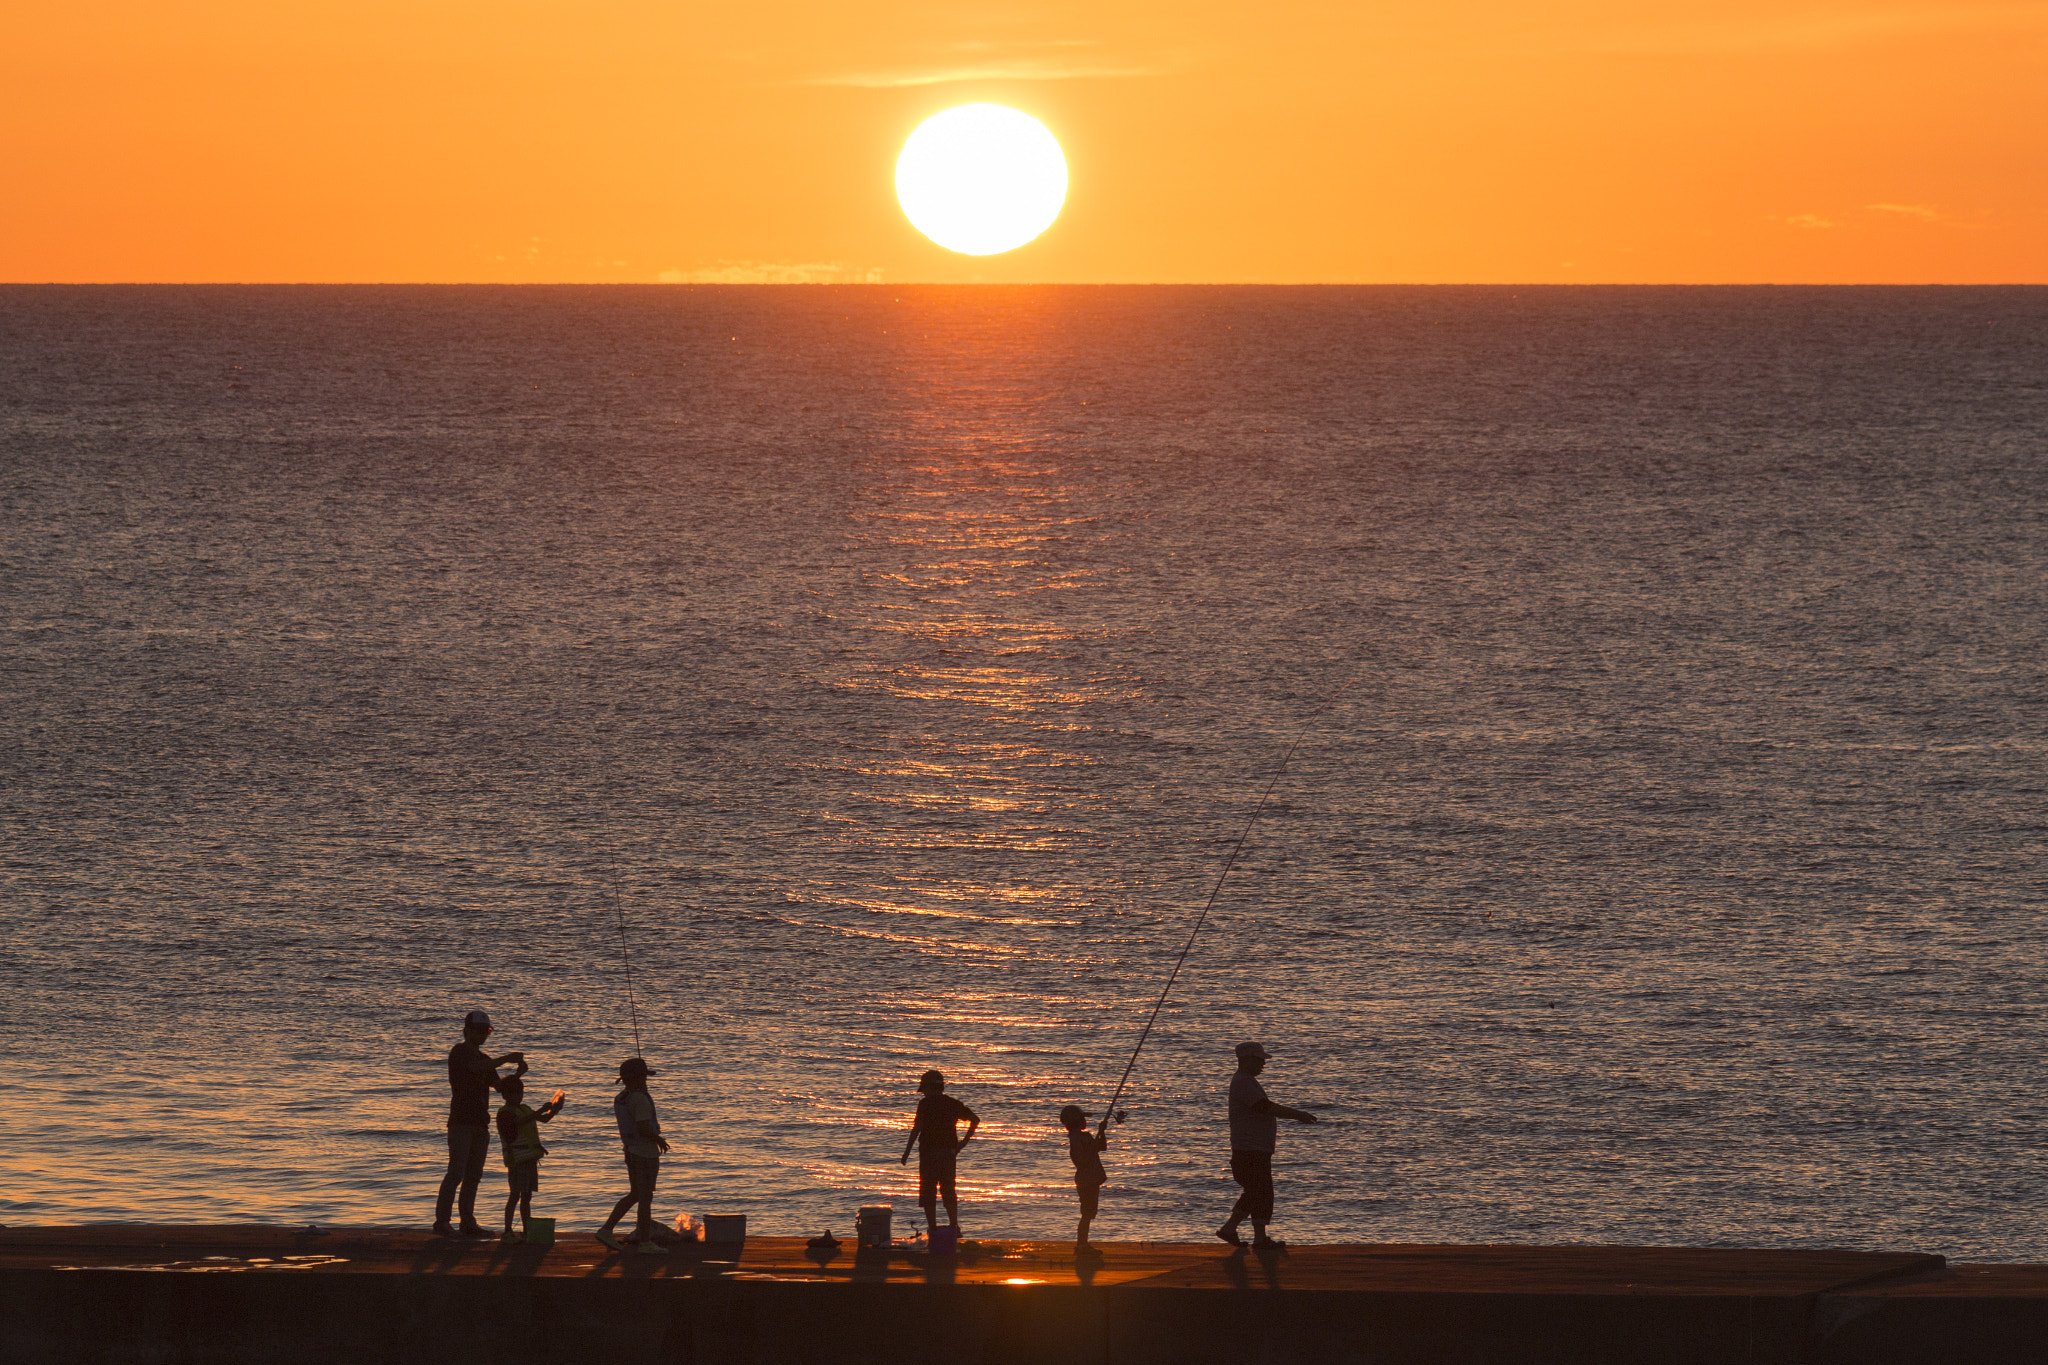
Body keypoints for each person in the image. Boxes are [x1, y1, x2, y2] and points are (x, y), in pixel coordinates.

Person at [1217, 1040, 1318, 1251]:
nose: (1264, 1064)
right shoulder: (1243, 1082)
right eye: (1260, 1060)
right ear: (1248, 1060)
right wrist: (1297, 1114)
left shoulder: (1246, 1081)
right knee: (1258, 1191)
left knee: (1259, 1192)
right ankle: (1238, 1231)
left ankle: (1254, 1235)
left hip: (1255, 1147)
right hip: (1249, 1148)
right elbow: (1263, 1107)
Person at [435, 1009, 526, 1236]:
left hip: (480, 1123)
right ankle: (442, 1222)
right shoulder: (459, 1052)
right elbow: (474, 1069)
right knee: (456, 1173)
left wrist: (517, 1074)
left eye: (486, 1031)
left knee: (474, 1176)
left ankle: (467, 1222)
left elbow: (500, 1087)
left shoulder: (485, 1059)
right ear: (467, 1031)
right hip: (460, 1122)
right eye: (479, 1031)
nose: (483, 1035)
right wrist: (507, 1059)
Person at [596, 1057, 669, 1253]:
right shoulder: (640, 1099)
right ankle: (645, 1242)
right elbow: (643, 1127)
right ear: (638, 1078)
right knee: (645, 1198)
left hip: (630, 1151)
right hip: (645, 1154)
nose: (646, 1082)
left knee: (636, 1193)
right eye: (644, 1078)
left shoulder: (622, 1097)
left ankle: (607, 1229)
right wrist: (659, 1139)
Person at [899, 1069, 978, 1235]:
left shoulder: (925, 1104)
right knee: (948, 1190)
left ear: (927, 1087)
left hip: (928, 1154)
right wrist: (962, 1144)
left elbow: (917, 1128)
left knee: (928, 1191)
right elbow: (975, 1120)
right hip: (948, 1154)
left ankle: (933, 1228)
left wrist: (906, 1152)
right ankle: (954, 1226)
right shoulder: (952, 1104)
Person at [495, 1075, 566, 1241]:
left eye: (520, 1093)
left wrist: (554, 1109)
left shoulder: (525, 1108)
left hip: (529, 1159)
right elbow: (518, 1122)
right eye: (516, 1094)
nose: (519, 1097)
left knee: (527, 1196)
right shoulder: (505, 1113)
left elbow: (544, 1119)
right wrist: (539, 1110)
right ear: (506, 1096)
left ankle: (527, 1230)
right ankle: (507, 1231)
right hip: (517, 1159)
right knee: (515, 1195)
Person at [1058, 1105, 1109, 1253]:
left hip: (1092, 1179)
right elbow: (1081, 1161)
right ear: (1076, 1122)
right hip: (1086, 1181)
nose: (1085, 1121)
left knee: (1089, 1213)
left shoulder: (1085, 1137)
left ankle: (1083, 1244)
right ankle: (1081, 1245)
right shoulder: (1075, 1140)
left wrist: (1101, 1132)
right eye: (1082, 1119)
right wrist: (1093, 1148)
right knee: (1086, 1214)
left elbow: (1102, 1147)